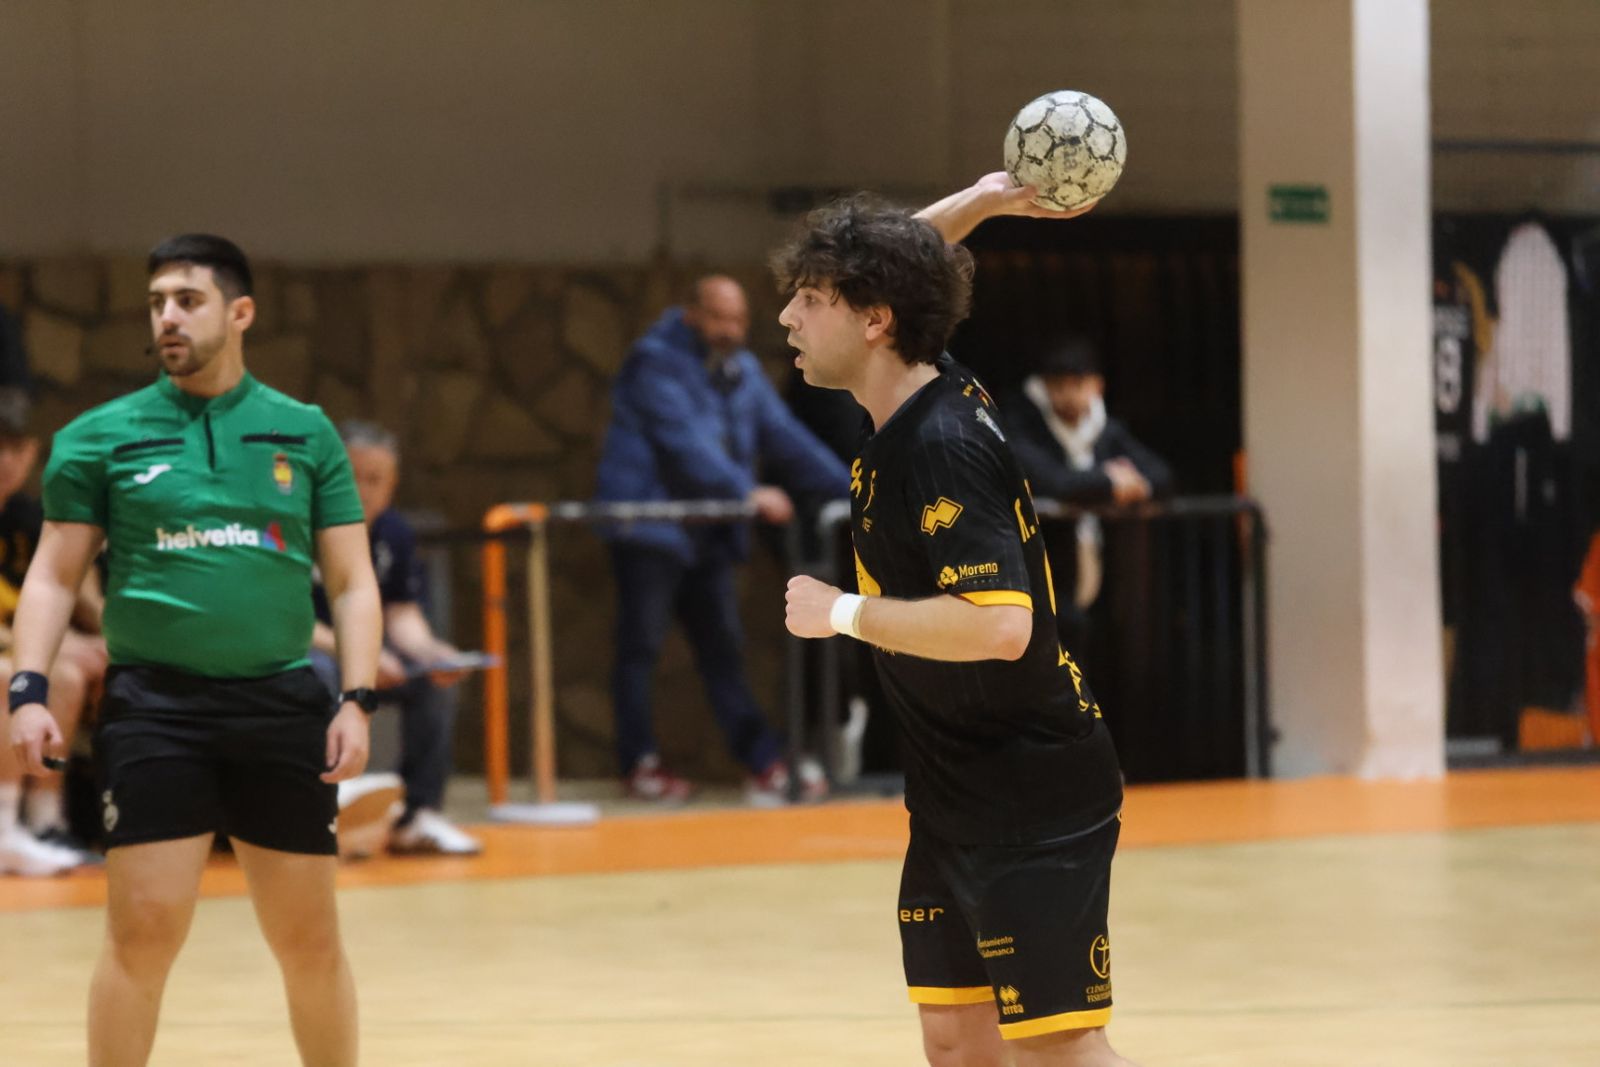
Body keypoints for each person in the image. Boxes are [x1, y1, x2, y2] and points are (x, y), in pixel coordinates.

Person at [779, 176, 1140, 1066]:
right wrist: (982, 198)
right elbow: (898, 267)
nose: (787, 315)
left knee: (1055, 1046)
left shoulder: (941, 445)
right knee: (954, 1038)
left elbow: (999, 626)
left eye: (811, 299)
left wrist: (845, 612)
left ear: (873, 321)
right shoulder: (914, 384)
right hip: (952, 789)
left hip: (1033, 786)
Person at [7, 234, 381, 1067]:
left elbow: (352, 581)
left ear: (240, 312)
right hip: (155, 711)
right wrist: (28, 688)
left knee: (311, 944)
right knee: (139, 937)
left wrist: (356, 699)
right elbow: (53, 577)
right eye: (156, 303)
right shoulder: (98, 437)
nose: (167, 317)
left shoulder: (306, 433)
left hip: (280, 705)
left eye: (187, 299)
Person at [595, 274, 850, 804]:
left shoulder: (744, 370)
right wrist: (747, 493)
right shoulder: (655, 361)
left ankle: (763, 762)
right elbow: (683, 445)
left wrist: (855, 484)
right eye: (718, 318)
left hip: (707, 534)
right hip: (650, 527)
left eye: (737, 320)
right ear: (690, 312)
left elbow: (785, 437)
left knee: (723, 651)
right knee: (639, 649)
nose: (729, 330)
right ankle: (638, 762)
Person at [309, 419, 481, 856]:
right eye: (352, 476)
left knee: (430, 682)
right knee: (320, 674)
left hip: (368, 654)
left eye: (375, 479)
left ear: (392, 484)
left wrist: (431, 651)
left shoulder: (395, 535)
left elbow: (402, 612)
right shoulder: (297, 528)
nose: (363, 490)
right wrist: (361, 660)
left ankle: (418, 816)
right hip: (311, 652)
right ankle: (325, 811)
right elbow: (286, 619)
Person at [999, 337, 1172, 657]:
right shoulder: (1023, 424)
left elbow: (1161, 474)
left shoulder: (1105, 429)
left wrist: (1137, 486)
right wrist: (1109, 483)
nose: (1067, 395)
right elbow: (1052, 481)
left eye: (1076, 384)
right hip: (1044, 574)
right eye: (1057, 385)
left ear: (1096, 386)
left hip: (1102, 572)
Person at [0, 387, 107, 874]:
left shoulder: (30, 518)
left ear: (32, 454)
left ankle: (45, 821)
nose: (5, 460)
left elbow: (69, 597)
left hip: (14, 643)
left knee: (63, 677)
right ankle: (4, 829)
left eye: (16, 448)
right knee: (11, 677)